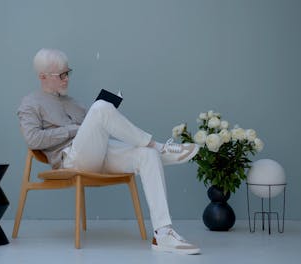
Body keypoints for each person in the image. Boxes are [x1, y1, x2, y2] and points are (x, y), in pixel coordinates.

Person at [17, 48, 201, 255]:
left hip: (97, 153)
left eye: (68, 72)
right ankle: (159, 147)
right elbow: (33, 138)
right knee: (101, 108)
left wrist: (100, 115)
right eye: (61, 75)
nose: (66, 79)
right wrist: (73, 129)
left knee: (145, 156)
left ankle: (164, 233)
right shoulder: (30, 103)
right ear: (43, 77)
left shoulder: (73, 103)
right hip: (71, 159)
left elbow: (95, 128)